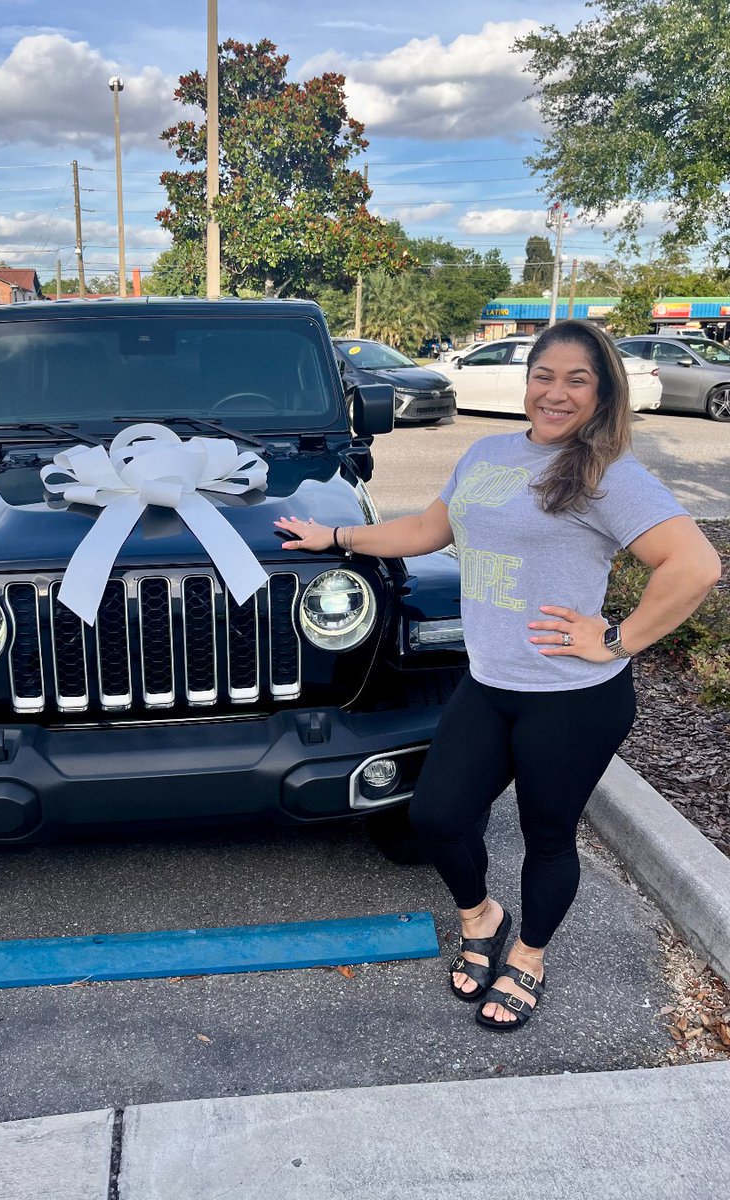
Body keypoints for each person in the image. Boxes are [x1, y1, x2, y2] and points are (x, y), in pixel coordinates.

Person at [275, 319, 721, 1032]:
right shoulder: (486, 453)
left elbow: (695, 566)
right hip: (489, 684)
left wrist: (615, 638)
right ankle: (482, 916)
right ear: (527, 379)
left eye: (577, 379)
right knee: (436, 816)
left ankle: (530, 958)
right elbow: (426, 530)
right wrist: (337, 537)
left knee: (549, 837)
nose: (556, 392)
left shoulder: (607, 473)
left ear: (602, 390)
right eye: (545, 375)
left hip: (572, 699)